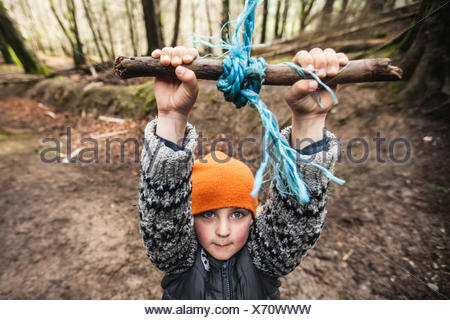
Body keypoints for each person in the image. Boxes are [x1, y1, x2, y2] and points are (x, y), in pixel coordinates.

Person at [138, 46, 348, 299]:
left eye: (237, 214)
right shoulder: (178, 257)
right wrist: (171, 117)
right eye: (207, 215)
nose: (223, 231)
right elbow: (162, 208)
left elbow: (298, 217)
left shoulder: (266, 257)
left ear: (254, 217)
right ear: (187, 216)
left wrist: (309, 122)